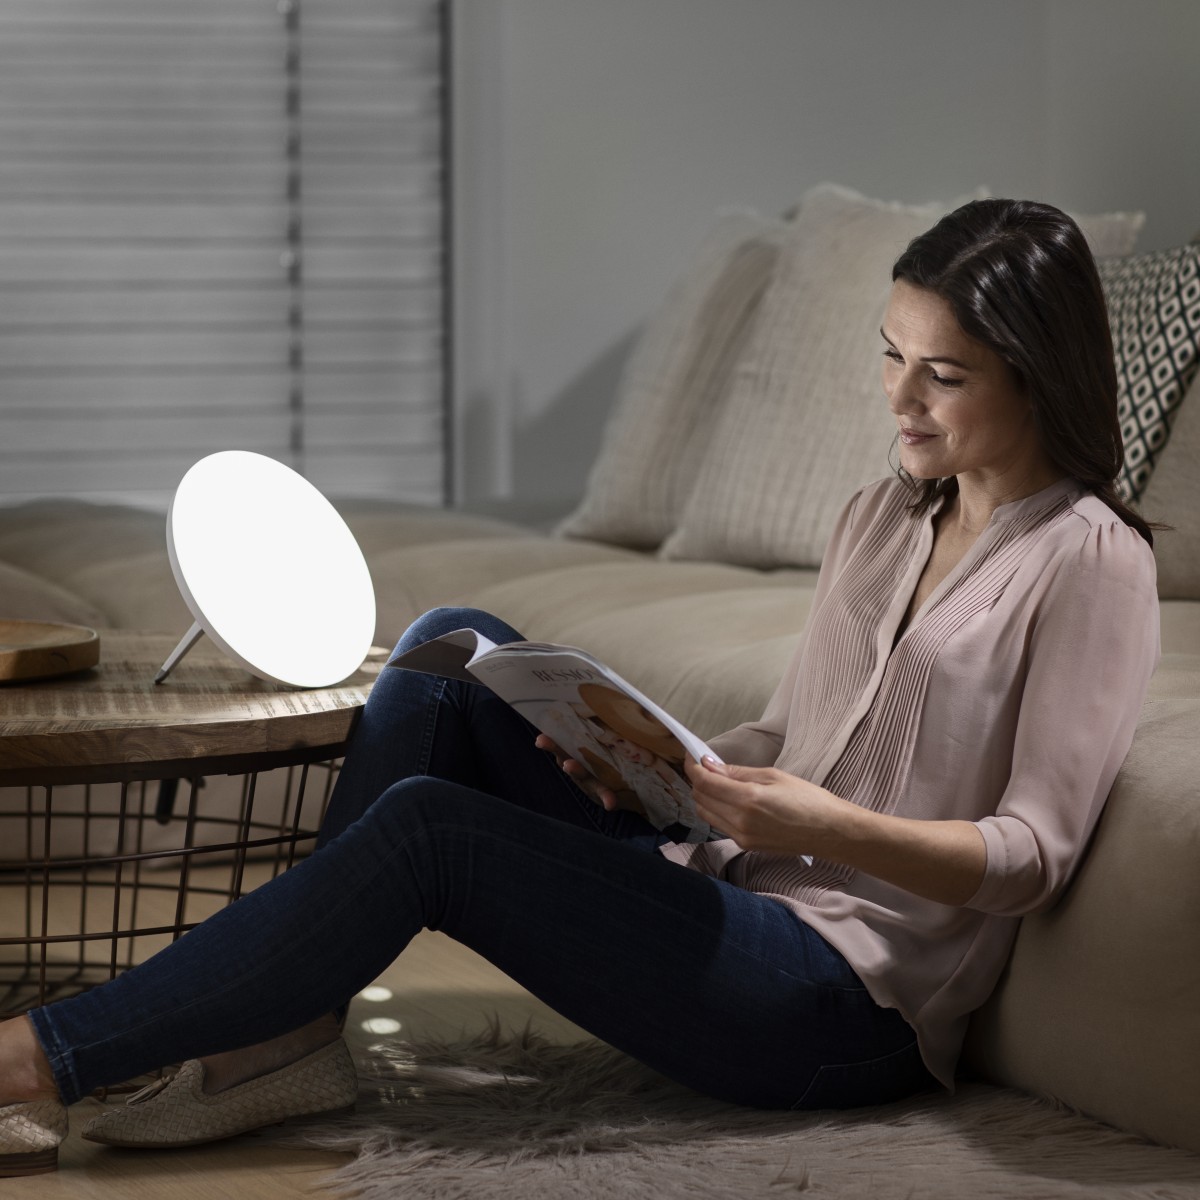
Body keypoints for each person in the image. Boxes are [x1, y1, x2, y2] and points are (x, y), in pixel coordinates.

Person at [0, 199, 1160, 1177]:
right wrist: (655, 758)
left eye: (943, 374)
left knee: (430, 834)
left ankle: (36, 1061)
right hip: (733, 889)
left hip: (841, 1006)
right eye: (890, 354)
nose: (900, 398)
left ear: (1036, 375)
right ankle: (288, 1034)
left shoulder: (1093, 562)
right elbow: (800, 730)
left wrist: (823, 824)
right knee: (450, 651)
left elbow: (1034, 856)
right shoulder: (884, 512)